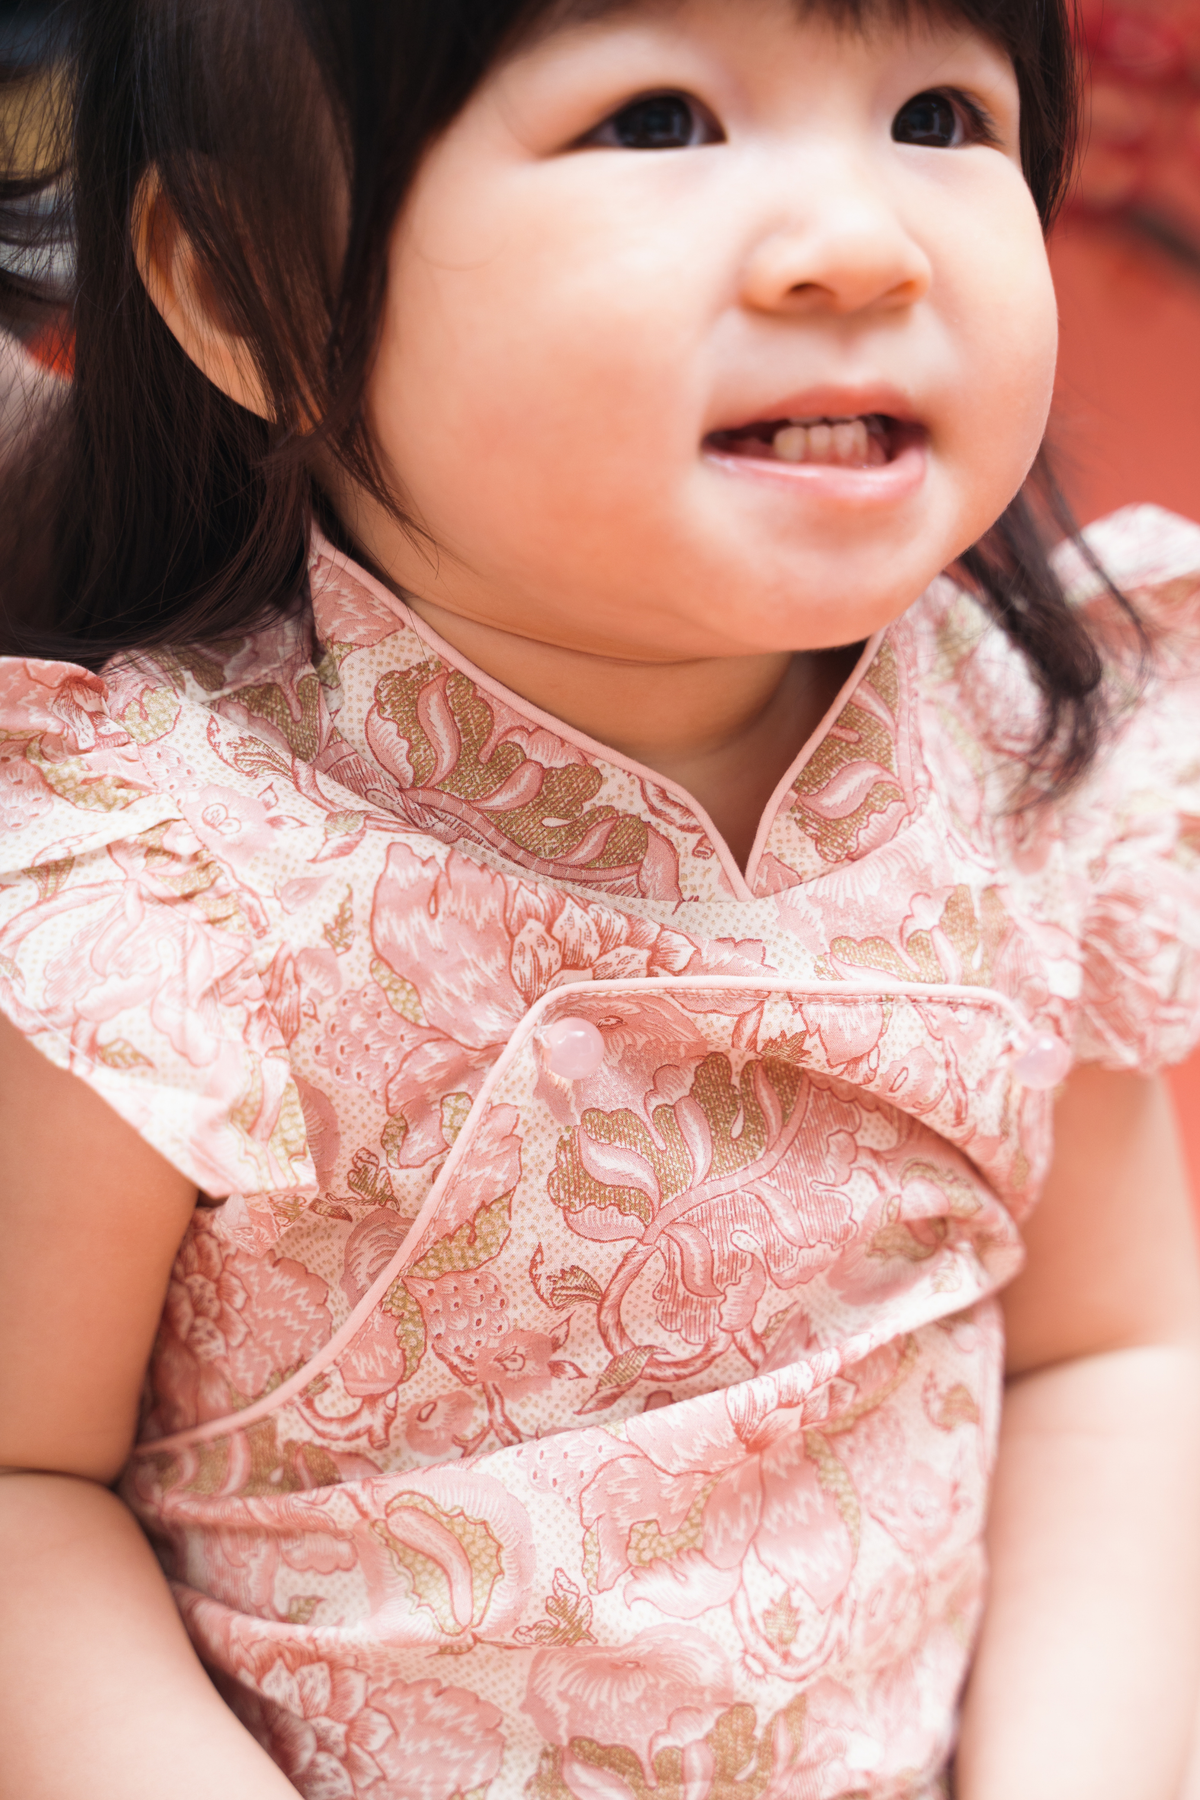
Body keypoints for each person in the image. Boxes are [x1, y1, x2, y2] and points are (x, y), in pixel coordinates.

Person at [2, 1, 1200, 1796]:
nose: (861, 241)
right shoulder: (160, 881)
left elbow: (1109, 1353)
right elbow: (23, 1488)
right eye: (655, 119)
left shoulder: (1021, 757)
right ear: (251, 284)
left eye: (939, 115)